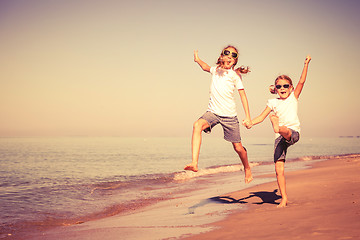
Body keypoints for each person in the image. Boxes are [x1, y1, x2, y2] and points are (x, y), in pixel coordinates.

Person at [248, 55, 312, 207]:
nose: (282, 89)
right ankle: (284, 198)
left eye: (285, 86)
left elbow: (302, 81)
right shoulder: (272, 102)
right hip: (279, 139)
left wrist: (306, 64)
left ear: (291, 88)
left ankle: (277, 126)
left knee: (285, 131)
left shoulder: (293, 98)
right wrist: (250, 123)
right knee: (278, 169)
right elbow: (261, 117)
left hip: (292, 132)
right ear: (275, 89)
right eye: (279, 86)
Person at [184, 45, 253, 184]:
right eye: (226, 53)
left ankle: (247, 168)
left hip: (229, 116)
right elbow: (205, 67)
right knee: (197, 125)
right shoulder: (215, 70)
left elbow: (243, 96)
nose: (229, 56)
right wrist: (197, 59)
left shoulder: (235, 76)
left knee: (238, 148)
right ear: (221, 56)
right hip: (213, 113)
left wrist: (248, 117)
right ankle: (194, 163)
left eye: (233, 55)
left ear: (235, 61)